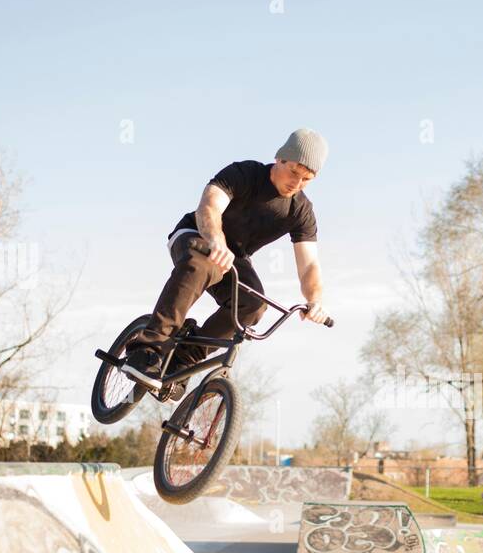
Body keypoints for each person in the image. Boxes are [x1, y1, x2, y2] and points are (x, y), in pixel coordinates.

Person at [121, 128, 330, 396]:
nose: (296, 183)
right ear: (280, 158)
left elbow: (309, 264)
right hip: (195, 235)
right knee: (203, 265)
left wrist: (315, 301)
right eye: (293, 173)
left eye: (306, 179)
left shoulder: (301, 211)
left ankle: (182, 360)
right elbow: (209, 205)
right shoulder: (245, 174)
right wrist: (215, 240)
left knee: (253, 306)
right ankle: (148, 348)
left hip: (234, 258)